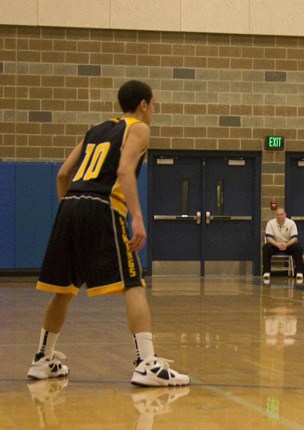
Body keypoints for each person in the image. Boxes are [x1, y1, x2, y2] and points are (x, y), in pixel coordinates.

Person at [27, 80, 189, 386]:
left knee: (64, 288)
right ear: (143, 104)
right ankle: (146, 363)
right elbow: (125, 171)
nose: (153, 111)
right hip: (103, 205)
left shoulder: (96, 129)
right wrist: (137, 219)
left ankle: (42, 359)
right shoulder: (139, 128)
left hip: (71, 204)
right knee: (133, 282)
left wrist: (71, 210)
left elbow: (63, 173)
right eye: (153, 104)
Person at [262, 207, 304, 282]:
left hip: (288, 245)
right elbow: (268, 238)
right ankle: (266, 272)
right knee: (266, 247)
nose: (279, 216)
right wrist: (277, 244)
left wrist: (286, 244)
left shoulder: (291, 223)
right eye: (278, 215)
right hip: (275, 245)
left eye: (281, 214)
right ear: (276, 215)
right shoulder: (270, 223)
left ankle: (299, 272)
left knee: (298, 248)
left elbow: (295, 238)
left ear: (285, 215)